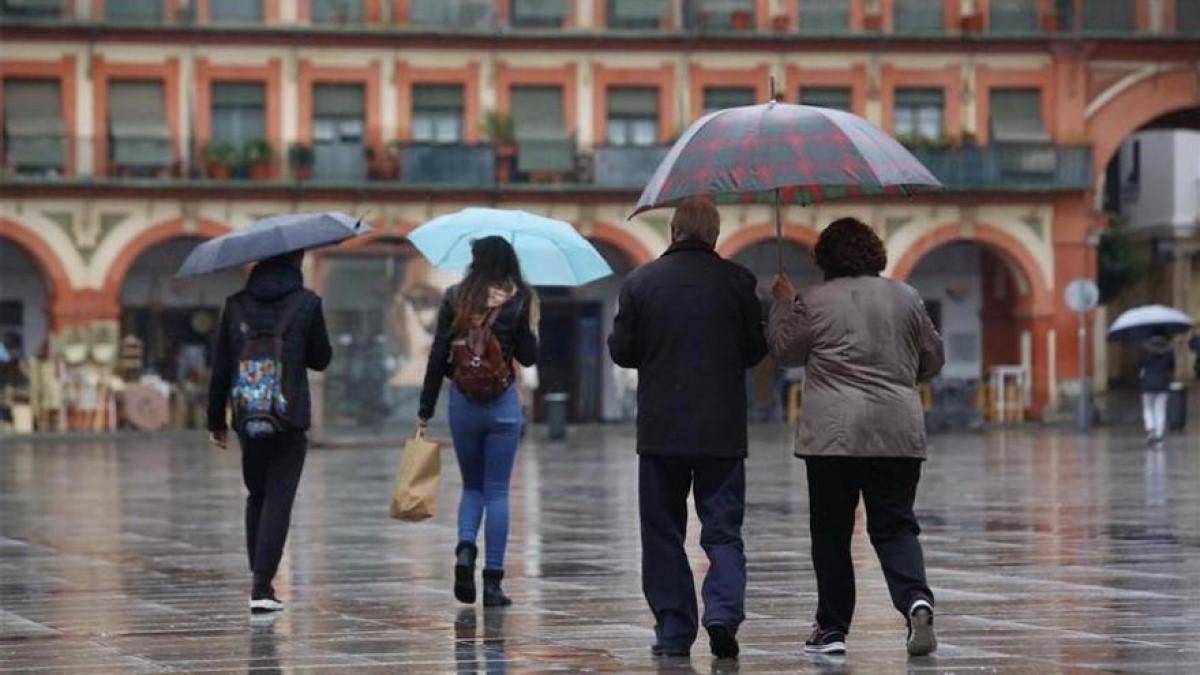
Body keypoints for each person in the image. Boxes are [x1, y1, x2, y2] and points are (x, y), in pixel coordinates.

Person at [768, 217, 944, 657]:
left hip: (833, 437)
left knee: (831, 532)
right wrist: (903, 375)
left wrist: (782, 305)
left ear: (825, 257)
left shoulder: (814, 300)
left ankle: (831, 630)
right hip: (897, 432)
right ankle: (915, 601)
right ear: (874, 252)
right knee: (896, 525)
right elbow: (933, 358)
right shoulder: (907, 297)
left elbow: (785, 352)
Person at [609, 197, 767, 660]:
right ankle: (722, 613)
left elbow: (623, 351)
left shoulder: (640, 282)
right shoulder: (738, 283)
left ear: (674, 231)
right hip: (722, 432)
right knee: (722, 530)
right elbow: (756, 351)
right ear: (714, 235)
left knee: (662, 532)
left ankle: (675, 630)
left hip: (662, 431)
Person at [207, 250, 332, 614]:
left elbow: (221, 367)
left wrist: (216, 420)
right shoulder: (307, 303)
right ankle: (262, 587)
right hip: (289, 416)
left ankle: (258, 579)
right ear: (296, 263)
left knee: (256, 496)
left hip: (248, 416)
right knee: (279, 499)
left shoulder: (235, 305)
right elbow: (320, 358)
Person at [418, 236, 539, 608]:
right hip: (502, 404)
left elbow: (439, 353)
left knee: (472, 487)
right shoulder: (519, 299)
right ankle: (492, 583)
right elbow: (530, 357)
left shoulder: (456, 297)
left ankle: (466, 550)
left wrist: (425, 408)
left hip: (463, 404)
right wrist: (528, 325)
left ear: (476, 261)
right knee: (498, 492)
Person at [1138, 328, 1175, 445]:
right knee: (1160, 409)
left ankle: (1151, 430)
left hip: (1147, 383)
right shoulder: (1169, 350)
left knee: (1148, 408)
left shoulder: (1144, 349)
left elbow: (1139, 365)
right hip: (1163, 383)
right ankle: (1159, 435)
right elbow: (1172, 367)